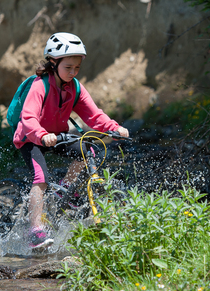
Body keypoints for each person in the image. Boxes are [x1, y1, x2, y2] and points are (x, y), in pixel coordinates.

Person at [13, 32, 129, 248]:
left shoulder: (74, 87)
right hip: (31, 137)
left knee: (89, 150)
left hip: (56, 136)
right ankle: (35, 230)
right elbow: (28, 118)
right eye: (68, 67)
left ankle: (64, 193)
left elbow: (94, 115)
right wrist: (41, 135)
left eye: (77, 68)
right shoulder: (40, 85)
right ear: (53, 63)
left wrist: (114, 128)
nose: (73, 72)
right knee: (41, 178)